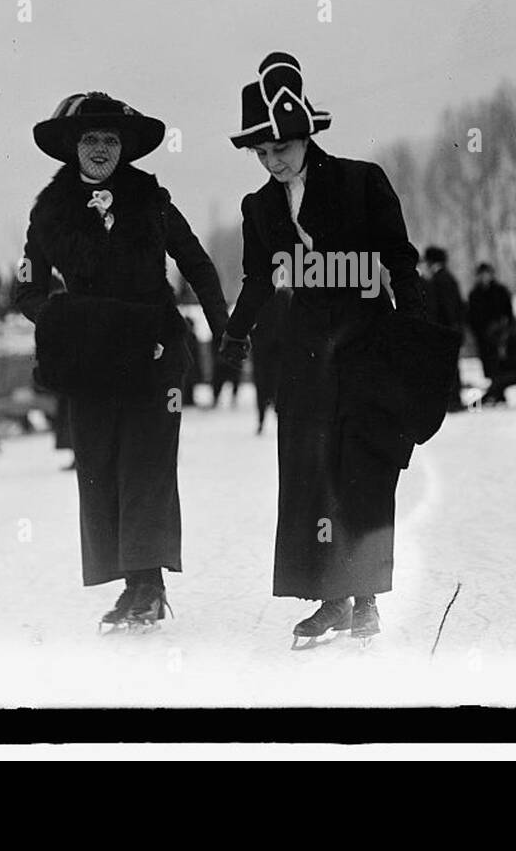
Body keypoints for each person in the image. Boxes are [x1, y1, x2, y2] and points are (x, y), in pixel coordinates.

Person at [217, 51, 456, 647]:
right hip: (305, 364)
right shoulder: (258, 208)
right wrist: (234, 331)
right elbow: (255, 278)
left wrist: (415, 325)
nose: (273, 162)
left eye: (283, 149)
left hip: (368, 351)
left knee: (365, 474)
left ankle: (366, 597)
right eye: (263, 153)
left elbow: (399, 257)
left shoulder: (362, 180)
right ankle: (329, 599)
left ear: (306, 136)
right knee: (310, 478)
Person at [13, 91, 228, 631]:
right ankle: (130, 585)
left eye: (111, 140)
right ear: (72, 148)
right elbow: (27, 290)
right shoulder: (48, 212)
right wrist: (65, 322)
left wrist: (226, 329)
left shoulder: (150, 200)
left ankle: (149, 586)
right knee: (100, 469)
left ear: (126, 148)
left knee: (147, 467)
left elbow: (197, 263)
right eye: (91, 139)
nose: (102, 149)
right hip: (90, 361)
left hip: (154, 353)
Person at [423, 246, 467, 413]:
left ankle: (453, 401)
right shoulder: (448, 277)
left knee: (448, 367)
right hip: (452, 329)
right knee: (452, 366)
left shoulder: (439, 280)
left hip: (446, 330)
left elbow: (446, 308)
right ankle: (454, 400)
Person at [250, 284, 290, 434]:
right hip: (277, 347)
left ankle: (263, 419)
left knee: (264, 385)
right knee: (276, 384)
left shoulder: (259, 291)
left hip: (266, 346)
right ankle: (271, 419)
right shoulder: (283, 296)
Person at [466, 262, 513, 379]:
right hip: (483, 336)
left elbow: (508, 312)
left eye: (486, 274)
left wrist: (507, 328)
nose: (484, 277)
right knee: (488, 366)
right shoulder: (474, 294)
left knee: (500, 365)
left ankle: (500, 390)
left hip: (499, 334)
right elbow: (471, 316)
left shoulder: (500, 291)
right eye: (481, 274)